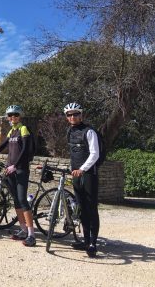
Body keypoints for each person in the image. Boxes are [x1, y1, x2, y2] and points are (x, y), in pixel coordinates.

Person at [0, 105, 36, 247]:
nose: (12, 117)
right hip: (10, 170)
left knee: (23, 200)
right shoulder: (12, 131)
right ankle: (22, 230)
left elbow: (25, 151)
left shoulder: (23, 129)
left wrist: (15, 165)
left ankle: (31, 235)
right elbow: (2, 145)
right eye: (10, 115)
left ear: (20, 116)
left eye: (15, 115)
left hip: (20, 169)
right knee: (16, 200)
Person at [64, 102, 100, 258]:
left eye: (76, 114)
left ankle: (93, 242)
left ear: (81, 115)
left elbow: (95, 154)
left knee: (91, 208)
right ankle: (85, 241)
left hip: (88, 175)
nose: (73, 117)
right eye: (69, 115)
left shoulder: (89, 131)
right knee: (81, 209)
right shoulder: (70, 132)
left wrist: (82, 169)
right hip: (76, 175)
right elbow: (73, 154)